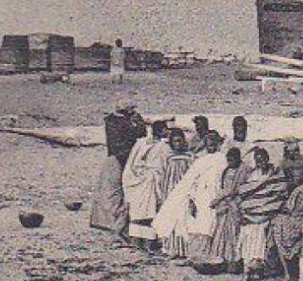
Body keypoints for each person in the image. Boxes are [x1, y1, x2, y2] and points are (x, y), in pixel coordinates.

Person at [155, 131, 226, 261]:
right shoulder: (198, 159)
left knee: (207, 222)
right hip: (184, 190)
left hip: (211, 193)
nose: (211, 145)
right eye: (208, 142)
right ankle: (173, 248)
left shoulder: (220, 158)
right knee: (176, 217)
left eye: (213, 142)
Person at [193, 147, 250, 274]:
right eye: (228, 160)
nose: (230, 162)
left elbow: (239, 188)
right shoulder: (227, 170)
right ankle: (222, 260)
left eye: (232, 159)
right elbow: (223, 186)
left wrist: (220, 199)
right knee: (221, 232)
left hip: (235, 203)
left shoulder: (243, 170)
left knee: (233, 234)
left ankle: (233, 263)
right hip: (225, 204)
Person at [91, 106, 145, 235]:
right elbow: (121, 145)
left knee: (117, 195)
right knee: (115, 195)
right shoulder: (114, 122)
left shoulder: (119, 121)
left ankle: (119, 226)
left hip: (124, 159)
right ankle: (117, 227)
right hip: (120, 160)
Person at [235, 148, 285, 281]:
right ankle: (247, 267)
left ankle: (257, 267)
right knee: (247, 230)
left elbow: (278, 191)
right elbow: (246, 191)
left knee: (260, 230)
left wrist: (266, 207)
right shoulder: (253, 174)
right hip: (252, 212)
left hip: (267, 212)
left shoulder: (275, 173)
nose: (260, 162)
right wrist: (249, 208)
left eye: (262, 159)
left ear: (267, 159)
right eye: (257, 160)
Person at [122, 119, 169, 247]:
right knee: (144, 211)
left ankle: (147, 241)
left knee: (148, 211)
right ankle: (138, 241)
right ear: (160, 131)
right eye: (165, 129)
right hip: (147, 180)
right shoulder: (147, 144)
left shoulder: (158, 145)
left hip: (149, 179)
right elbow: (135, 162)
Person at [269, 161, 303, 281]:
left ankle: (288, 274)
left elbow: (291, 208)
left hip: (299, 221)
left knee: (276, 226)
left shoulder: (301, 190)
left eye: (296, 175)